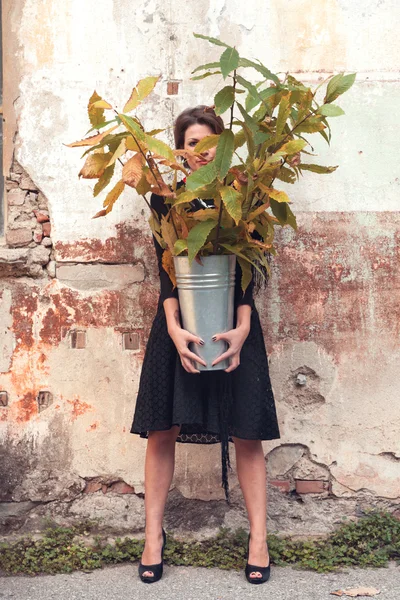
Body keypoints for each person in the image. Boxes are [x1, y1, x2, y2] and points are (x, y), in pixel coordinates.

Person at [130, 105, 281, 584]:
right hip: (177, 328)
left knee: (248, 433)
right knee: (162, 430)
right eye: (191, 144)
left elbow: (248, 273)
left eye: (209, 143)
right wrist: (174, 329)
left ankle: (259, 538)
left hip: (236, 328)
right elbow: (167, 272)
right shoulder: (166, 201)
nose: (200, 152)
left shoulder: (245, 197)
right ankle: (153, 535)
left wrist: (242, 328)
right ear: (180, 149)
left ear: (225, 147)